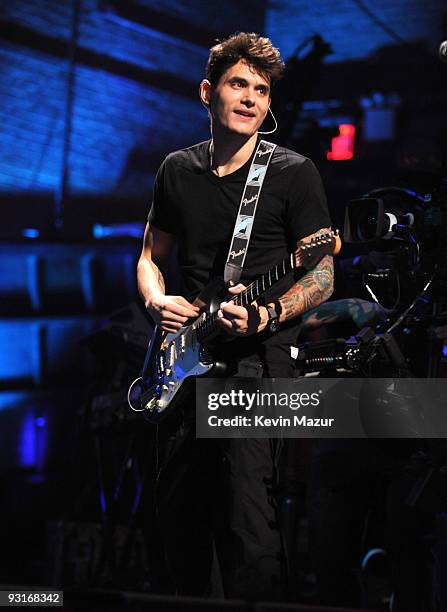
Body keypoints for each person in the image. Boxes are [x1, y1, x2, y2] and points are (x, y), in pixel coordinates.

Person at [137, 32, 333, 601]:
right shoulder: (176, 169)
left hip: (256, 368)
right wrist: (155, 302)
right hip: (181, 368)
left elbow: (322, 273)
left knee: (246, 528)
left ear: (270, 105)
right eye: (238, 84)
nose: (250, 98)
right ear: (208, 92)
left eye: (262, 90)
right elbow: (151, 257)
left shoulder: (294, 173)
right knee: (178, 530)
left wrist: (269, 313)